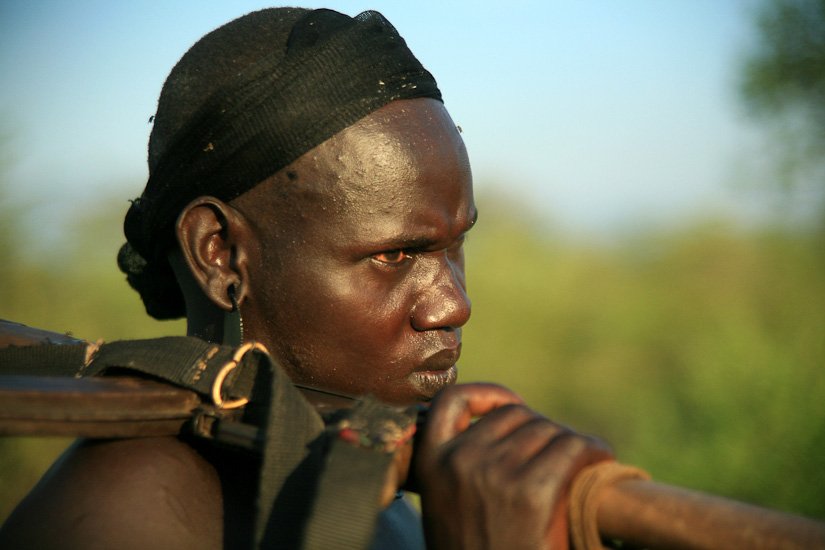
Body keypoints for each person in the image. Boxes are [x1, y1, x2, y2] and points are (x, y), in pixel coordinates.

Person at [0, 8, 609, 549]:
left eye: (456, 245)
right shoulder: (130, 509)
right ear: (220, 254)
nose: (453, 305)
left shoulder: (361, 471)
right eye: (395, 256)